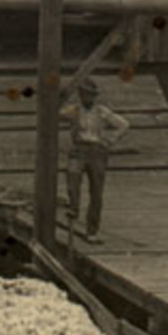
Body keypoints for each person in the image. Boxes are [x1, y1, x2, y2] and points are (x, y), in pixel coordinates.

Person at [59, 77, 130, 240]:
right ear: (80, 95)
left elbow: (124, 124)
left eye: (90, 95)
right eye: (84, 94)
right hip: (79, 149)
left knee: (96, 191)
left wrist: (109, 140)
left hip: (97, 151)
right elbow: (56, 113)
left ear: (94, 96)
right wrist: (61, 97)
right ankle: (74, 208)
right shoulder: (74, 110)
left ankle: (92, 230)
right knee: (72, 180)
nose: (87, 98)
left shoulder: (101, 111)